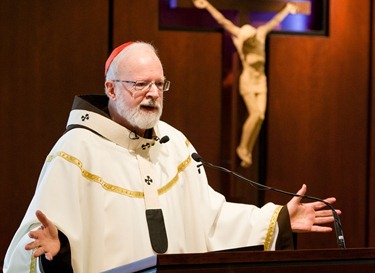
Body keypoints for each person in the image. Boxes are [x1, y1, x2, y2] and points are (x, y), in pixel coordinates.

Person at [3, 41, 339, 273]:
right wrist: (55, 252)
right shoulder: (76, 151)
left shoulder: (174, 143)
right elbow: (34, 242)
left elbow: (210, 219)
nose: (152, 93)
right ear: (110, 89)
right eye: (140, 84)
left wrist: (278, 220)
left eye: (159, 85)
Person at [193, 0, 297, 167]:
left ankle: (247, 149)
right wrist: (207, 6)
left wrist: (287, 9)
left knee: (260, 116)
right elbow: (222, 21)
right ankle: (242, 149)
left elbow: (274, 21)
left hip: (261, 81)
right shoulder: (241, 36)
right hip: (248, 82)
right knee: (255, 113)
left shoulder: (261, 34)